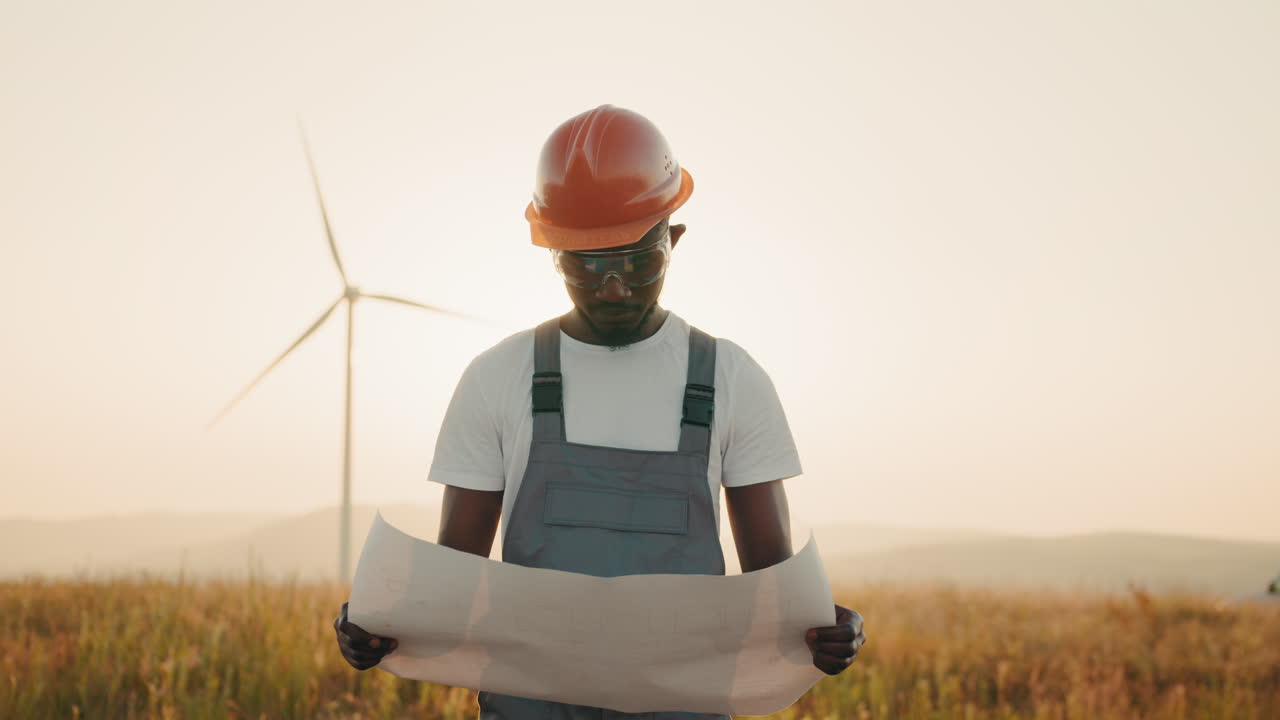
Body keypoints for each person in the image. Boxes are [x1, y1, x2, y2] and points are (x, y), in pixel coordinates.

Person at [334, 104, 866, 719]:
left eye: (637, 260)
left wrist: (826, 634)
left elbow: (776, 594)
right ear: (552, 250)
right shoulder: (496, 379)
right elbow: (453, 588)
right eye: (586, 264)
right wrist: (377, 628)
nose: (613, 288)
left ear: (675, 239)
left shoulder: (731, 380)